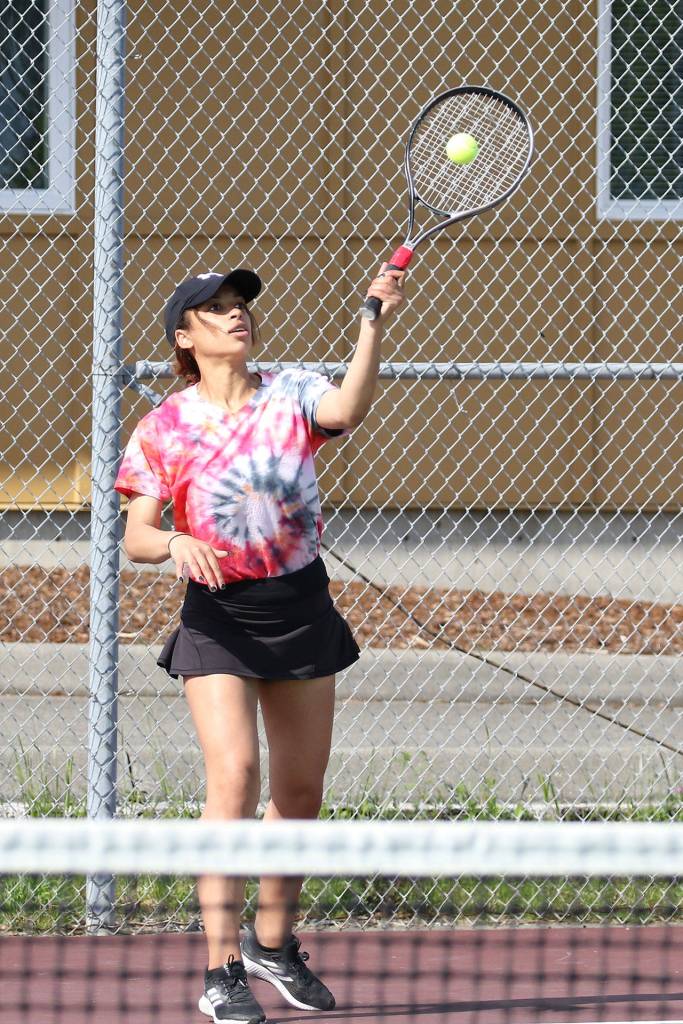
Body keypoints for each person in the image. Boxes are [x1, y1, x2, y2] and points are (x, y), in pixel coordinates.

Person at [114, 262, 405, 1024]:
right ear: (184, 337)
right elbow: (136, 535)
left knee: (299, 795)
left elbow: (347, 408)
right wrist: (175, 541)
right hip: (217, 620)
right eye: (214, 310)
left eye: (239, 305)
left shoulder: (294, 391)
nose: (235, 316)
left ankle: (271, 945)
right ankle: (219, 969)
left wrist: (371, 323)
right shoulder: (165, 426)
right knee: (235, 778)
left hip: (300, 608)